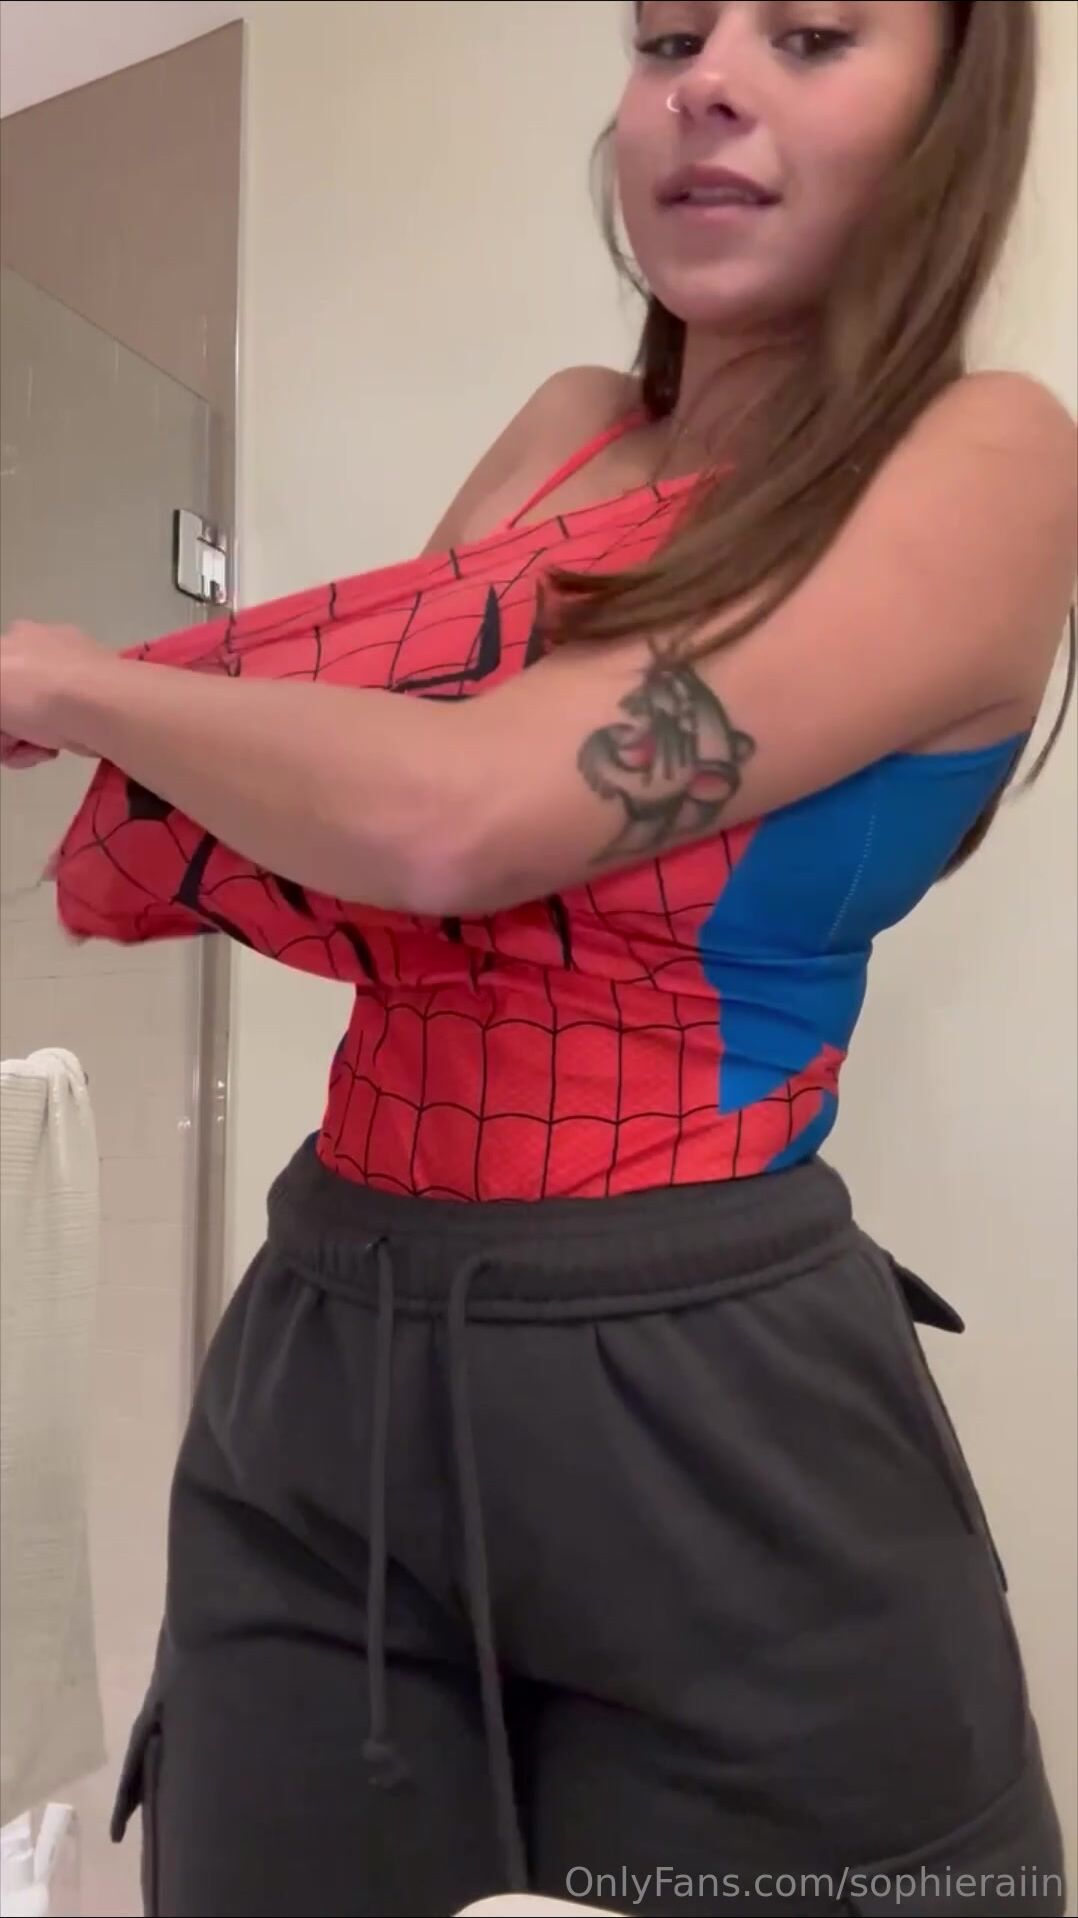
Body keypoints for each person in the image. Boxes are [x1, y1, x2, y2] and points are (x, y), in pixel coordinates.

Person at [2, 1, 1076, 1912]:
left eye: (810, 34)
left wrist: (75, 681)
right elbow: (370, 827)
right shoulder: (571, 428)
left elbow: (456, 817)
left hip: (704, 1385)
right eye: (665, 37)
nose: (707, 79)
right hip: (326, 1336)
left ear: (948, 119)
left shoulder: (986, 455)